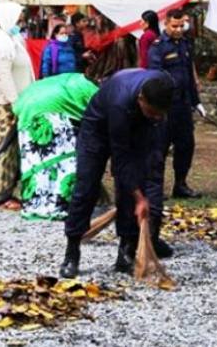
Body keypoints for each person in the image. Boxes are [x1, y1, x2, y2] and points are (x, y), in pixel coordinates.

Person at [59, 69, 175, 279]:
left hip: (136, 128)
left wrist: (141, 192)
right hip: (97, 132)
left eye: (160, 114)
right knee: (86, 187)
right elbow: (121, 159)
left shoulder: (165, 85)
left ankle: (126, 252)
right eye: (152, 112)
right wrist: (140, 198)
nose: (157, 118)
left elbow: (142, 159)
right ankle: (72, 251)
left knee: (133, 183)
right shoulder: (119, 103)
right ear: (141, 99)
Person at [11, 73, 98, 220]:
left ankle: (34, 204)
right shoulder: (94, 91)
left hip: (26, 107)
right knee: (63, 161)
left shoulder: (77, 80)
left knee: (36, 161)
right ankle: (58, 206)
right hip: (51, 113)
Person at [147, 8, 204, 199]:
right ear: (166, 24)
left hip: (184, 105)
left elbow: (189, 75)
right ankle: (156, 187)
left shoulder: (185, 44)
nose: (179, 30)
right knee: (159, 148)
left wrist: (197, 102)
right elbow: (155, 76)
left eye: (182, 26)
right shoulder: (157, 47)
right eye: (175, 26)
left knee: (186, 146)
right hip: (165, 107)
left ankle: (180, 185)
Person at [0, 3, 35, 210]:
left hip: (15, 101)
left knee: (13, 147)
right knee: (3, 147)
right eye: (18, 19)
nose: (20, 23)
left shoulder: (10, 39)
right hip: (4, 102)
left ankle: (9, 189)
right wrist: (16, 104)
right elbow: (3, 76)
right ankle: (0, 196)